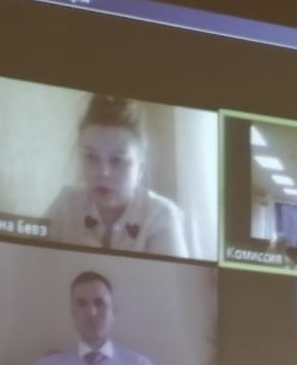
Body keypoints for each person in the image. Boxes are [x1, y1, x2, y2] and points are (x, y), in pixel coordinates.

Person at [45, 93, 190, 257]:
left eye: (117, 160)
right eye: (91, 157)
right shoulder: (66, 204)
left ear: (140, 169)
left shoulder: (161, 216)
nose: (102, 172)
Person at [26, 271, 176, 365]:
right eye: (81, 304)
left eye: (99, 303)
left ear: (113, 312)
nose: (91, 313)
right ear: (73, 314)